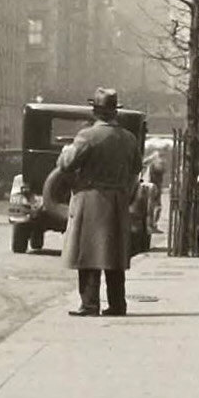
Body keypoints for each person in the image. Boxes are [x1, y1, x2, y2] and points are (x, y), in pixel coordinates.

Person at [47, 89, 145, 316]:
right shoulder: (129, 138)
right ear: (115, 111)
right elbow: (136, 169)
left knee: (88, 252)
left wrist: (66, 150)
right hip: (118, 200)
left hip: (91, 199)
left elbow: (66, 164)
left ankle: (90, 304)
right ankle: (117, 304)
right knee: (114, 255)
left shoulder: (87, 136)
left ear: (95, 112)